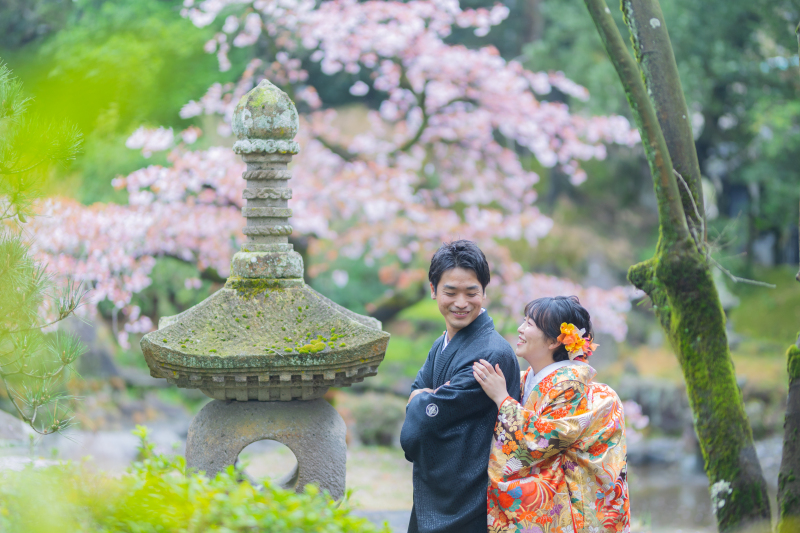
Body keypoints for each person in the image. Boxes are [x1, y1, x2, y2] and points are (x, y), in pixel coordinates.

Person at [473, 295, 630, 533]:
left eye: (529, 324)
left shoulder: (569, 384)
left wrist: (502, 400)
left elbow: (540, 440)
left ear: (554, 341)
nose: (520, 329)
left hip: (567, 506)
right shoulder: (528, 379)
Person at [400, 240, 521, 533]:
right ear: (433, 290)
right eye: (450, 292)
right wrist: (424, 398)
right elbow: (420, 393)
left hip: (472, 497)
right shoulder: (440, 344)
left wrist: (422, 400)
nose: (461, 303)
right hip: (443, 487)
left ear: (484, 292)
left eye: (471, 292)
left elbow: (421, 420)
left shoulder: (491, 353)